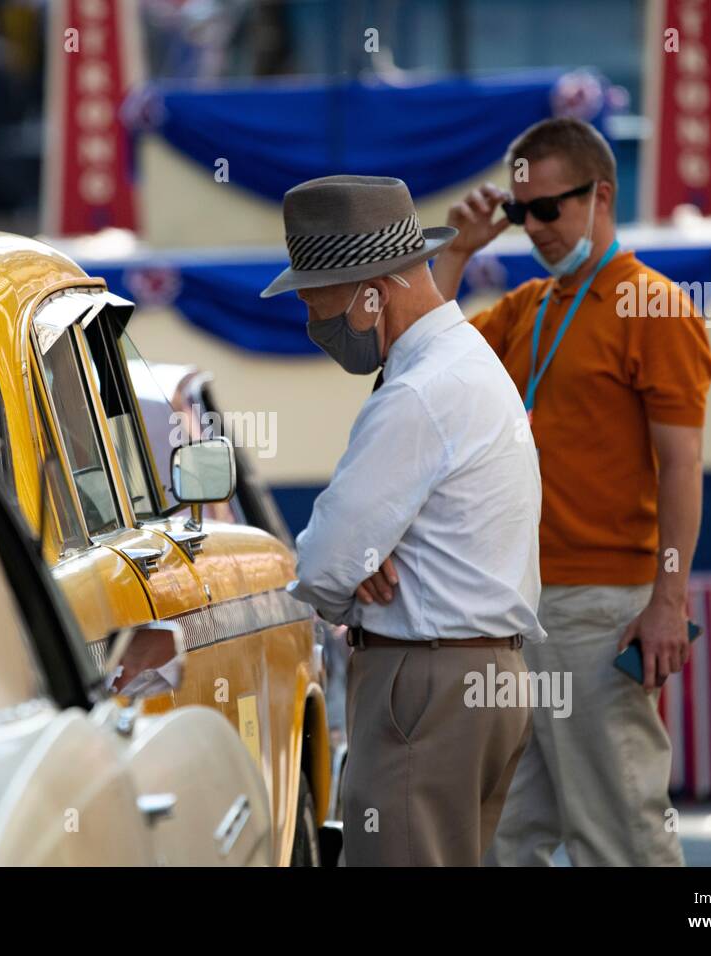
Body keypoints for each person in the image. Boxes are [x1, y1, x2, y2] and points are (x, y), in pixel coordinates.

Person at [431, 118, 711, 866]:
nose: (535, 229)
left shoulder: (654, 309)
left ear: (601, 197)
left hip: (600, 606)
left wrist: (668, 599)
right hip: (523, 603)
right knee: (502, 839)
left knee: (618, 830)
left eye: (550, 209)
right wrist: (459, 248)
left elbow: (682, 465)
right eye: (522, 213)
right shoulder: (530, 305)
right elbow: (419, 359)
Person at [263, 174, 545, 866]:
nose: (312, 322)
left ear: (372, 291)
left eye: (316, 300)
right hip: (479, 678)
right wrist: (365, 557)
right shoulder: (463, 364)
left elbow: (327, 562)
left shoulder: (419, 391)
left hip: (424, 689)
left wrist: (351, 571)